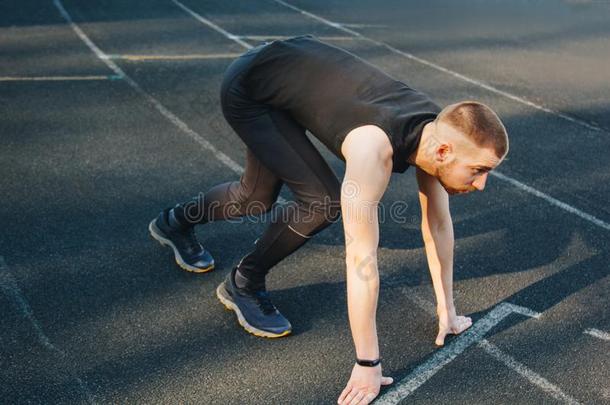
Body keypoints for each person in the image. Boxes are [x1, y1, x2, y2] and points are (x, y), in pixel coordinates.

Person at [149, 34, 509, 404]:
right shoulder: (374, 149)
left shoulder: (440, 133)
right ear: (445, 152)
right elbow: (361, 259)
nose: (482, 185)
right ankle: (241, 279)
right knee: (308, 201)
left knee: (256, 196)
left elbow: (437, 225)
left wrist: (446, 309)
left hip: (289, 73)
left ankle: (174, 223)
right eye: (479, 170)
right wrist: (368, 362)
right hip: (252, 88)